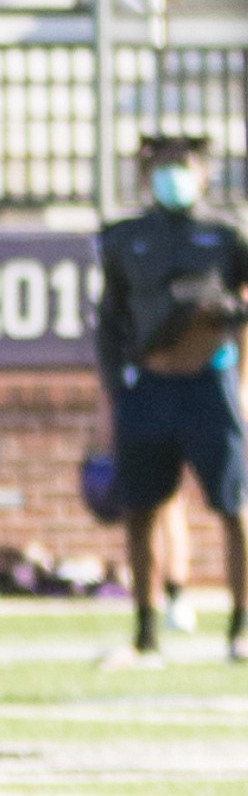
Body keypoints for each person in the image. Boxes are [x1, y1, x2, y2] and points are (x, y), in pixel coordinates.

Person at [91, 131, 247, 666]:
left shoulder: (226, 234)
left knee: (234, 506)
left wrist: (242, 381)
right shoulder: (124, 238)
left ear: (204, 173)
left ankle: (240, 628)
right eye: (162, 166)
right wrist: (113, 391)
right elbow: (110, 320)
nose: (173, 176)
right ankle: (146, 632)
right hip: (150, 386)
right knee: (141, 509)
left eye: (183, 165)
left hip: (210, 382)